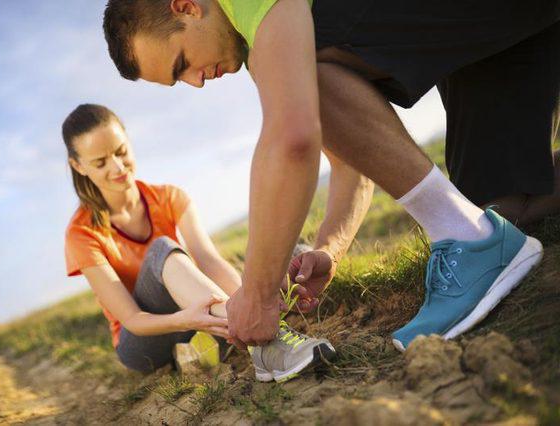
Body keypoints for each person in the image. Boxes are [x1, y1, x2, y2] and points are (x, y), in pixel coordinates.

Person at [101, 0, 557, 351]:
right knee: (504, 206)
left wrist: (258, 296)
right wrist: (329, 249)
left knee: (307, 61)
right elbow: (352, 158)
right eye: (180, 81)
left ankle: (468, 239)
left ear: (185, 6)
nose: (196, 83)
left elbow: (294, 138)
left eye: (181, 65)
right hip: (506, 30)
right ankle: (476, 231)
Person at [63, 103, 335, 380]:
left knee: (296, 256)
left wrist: (250, 301)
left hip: (195, 314)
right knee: (162, 248)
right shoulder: (81, 234)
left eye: (121, 151)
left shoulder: (170, 197)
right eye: (100, 162)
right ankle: (269, 344)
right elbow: (132, 319)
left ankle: (246, 323)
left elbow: (208, 260)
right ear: (78, 166)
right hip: (143, 339)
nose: (118, 166)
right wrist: (185, 320)